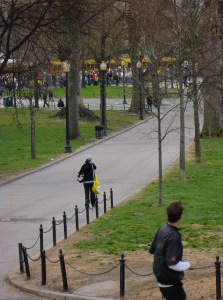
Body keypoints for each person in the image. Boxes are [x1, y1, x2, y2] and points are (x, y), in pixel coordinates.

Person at [149, 201, 196, 300]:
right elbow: (172, 264)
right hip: (169, 281)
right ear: (180, 217)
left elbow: (153, 250)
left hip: (161, 278)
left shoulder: (162, 229)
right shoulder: (174, 236)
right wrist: (189, 265)